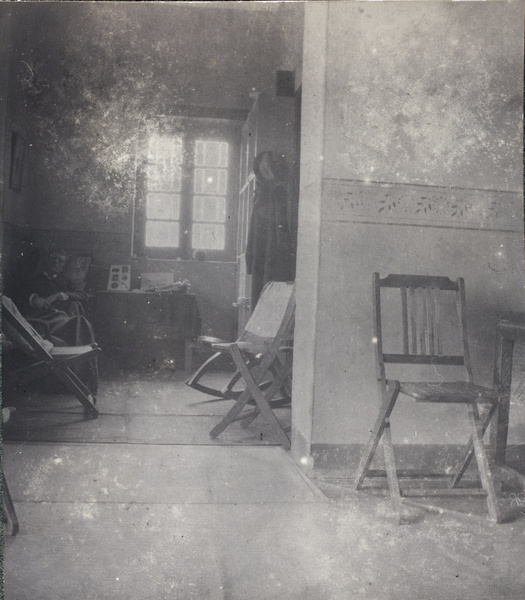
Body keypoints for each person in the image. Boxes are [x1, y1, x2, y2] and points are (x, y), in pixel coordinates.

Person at [12, 247, 99, 391]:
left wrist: (60, 294)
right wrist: (33, 299)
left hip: (60, 320)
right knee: (79, 323)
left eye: (60, 261)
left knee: (79, 323)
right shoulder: (34, 279)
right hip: (41, 322)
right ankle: (79, 379)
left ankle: (79, 378)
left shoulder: (64, 283)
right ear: (46, 261)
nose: (56, 262)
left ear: (63, 266)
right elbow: (20, 298)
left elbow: (85, 295)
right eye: (53, 258)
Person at [245, 151, 296, 309]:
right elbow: (253, 230)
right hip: (260, 251)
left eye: (268, 165)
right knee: (259, 296)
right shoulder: (261, 192)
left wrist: (284, 260)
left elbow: (281, 230)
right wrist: (250, 258)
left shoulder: (279, 192)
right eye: (262, 166)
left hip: (274, 255)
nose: (265, 169)